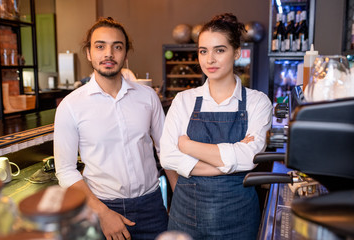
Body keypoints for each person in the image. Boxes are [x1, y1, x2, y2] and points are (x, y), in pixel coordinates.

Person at [54, 17, 169, 240]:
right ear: (88, 53)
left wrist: (180, 202)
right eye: (100, 46)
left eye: (117, 47)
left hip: (151, 206)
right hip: (100, 207)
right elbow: (66, 170)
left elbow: (166, 150)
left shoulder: (147, 97)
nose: (109, 53)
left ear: (125, 55)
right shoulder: (70, 106)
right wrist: (103, 213)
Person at [160, 13, 273, 240]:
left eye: (219, 50)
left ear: (237, 52)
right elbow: (168, 158)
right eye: (203, 51)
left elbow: (250, 157)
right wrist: (228, 161)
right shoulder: (184, 100)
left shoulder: (257, 101)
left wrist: (188, 145)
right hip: (185, 218)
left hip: (238, 219)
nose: (209, 59)